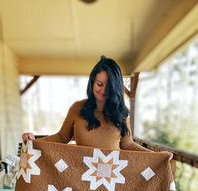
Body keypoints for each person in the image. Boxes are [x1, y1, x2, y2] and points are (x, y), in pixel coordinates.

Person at [22, 56, 154, 153]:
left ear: (115, 88)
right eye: (99, 84)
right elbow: (62, 137)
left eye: (108, 86)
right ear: (92, 82)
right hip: (81, 178)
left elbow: (128, 145)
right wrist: (34, 142)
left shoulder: (122, 114)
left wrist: (156, 156)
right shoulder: (77, 108)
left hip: (112, 181)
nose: (102, 90)